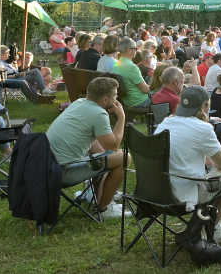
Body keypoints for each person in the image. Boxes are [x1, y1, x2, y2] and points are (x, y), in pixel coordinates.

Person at [154, 86, 221, 243]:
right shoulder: (203, 128)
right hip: (182, 194)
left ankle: (205, 223)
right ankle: (212, 228)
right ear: (204, 106)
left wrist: (211, 161)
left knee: (211, 166)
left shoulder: (165, 123)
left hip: (155, 192)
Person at [45, 76, 129, 219]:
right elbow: (114, 146)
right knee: (124, 157)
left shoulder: (79, 103)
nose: (116, 100)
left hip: (47, 167)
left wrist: (107, 157)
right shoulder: (98, 114)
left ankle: (97, 196)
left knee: (104, 155)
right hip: (62, 173)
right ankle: (104, 209)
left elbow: (104, 150)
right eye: (114, 96)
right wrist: (121, 118)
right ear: (104, 99)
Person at [112, 37, 150, 108]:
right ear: (129, 50)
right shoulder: (132, 67)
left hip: (127, 101)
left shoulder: (116, 65)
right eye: (135, 49)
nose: (137, 50)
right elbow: (145, 89)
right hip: (140, 101)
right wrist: (156, 87)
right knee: (165, 98)